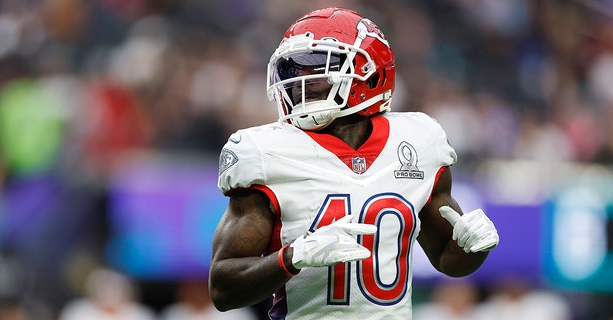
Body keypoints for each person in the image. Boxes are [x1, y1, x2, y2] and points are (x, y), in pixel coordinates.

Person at [208, 7, 499, 320]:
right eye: (295, 68)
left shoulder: (418, 141)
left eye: (318, 67)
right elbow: (223, 289)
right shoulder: (265, 152)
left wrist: (472, 248)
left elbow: (447, 259)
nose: (301, 80)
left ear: (371, 74)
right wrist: (293, 257)